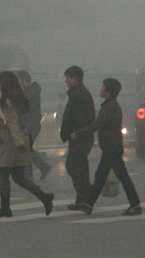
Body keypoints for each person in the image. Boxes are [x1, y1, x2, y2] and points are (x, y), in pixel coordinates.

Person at [71, 78, 142, 216]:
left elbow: (97, 124)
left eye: (103, 87)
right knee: (103, 176)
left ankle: (134, 204)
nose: (101, 89)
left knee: (117, 177)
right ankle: (89, 205)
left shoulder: (110, 107)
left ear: (108, 92)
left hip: (112, 147)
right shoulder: (110, 106)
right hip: (111, 146)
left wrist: (79, 133)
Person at [0, 71, 54, 218]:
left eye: (0, 83)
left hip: (11, 141)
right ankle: (44, 197)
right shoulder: (20, 98)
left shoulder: (7, 101)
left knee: (3, 174)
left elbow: (12, 123)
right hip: (19, 139)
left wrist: (18, 144)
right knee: (19, 177)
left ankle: (5, 208)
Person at [59, 65, 95, 210]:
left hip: (79, 136)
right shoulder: (79, 93)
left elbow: (81, 118)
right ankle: (83, 198)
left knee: (73, 166)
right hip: (79, 136)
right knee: (80, 167)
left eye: (67, 78)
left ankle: (88, 194)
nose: (66, 81)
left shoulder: (79, 95)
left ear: (74, 79)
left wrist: (76, 132)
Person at [16, 70, 51, 181]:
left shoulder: (28, 92)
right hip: (31, 123)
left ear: (24, 80)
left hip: (30, 124)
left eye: (19, 80)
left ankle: (37, 170)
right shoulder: (32, 91)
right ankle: (35, 171)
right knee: (27, 149)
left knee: (26, 148)